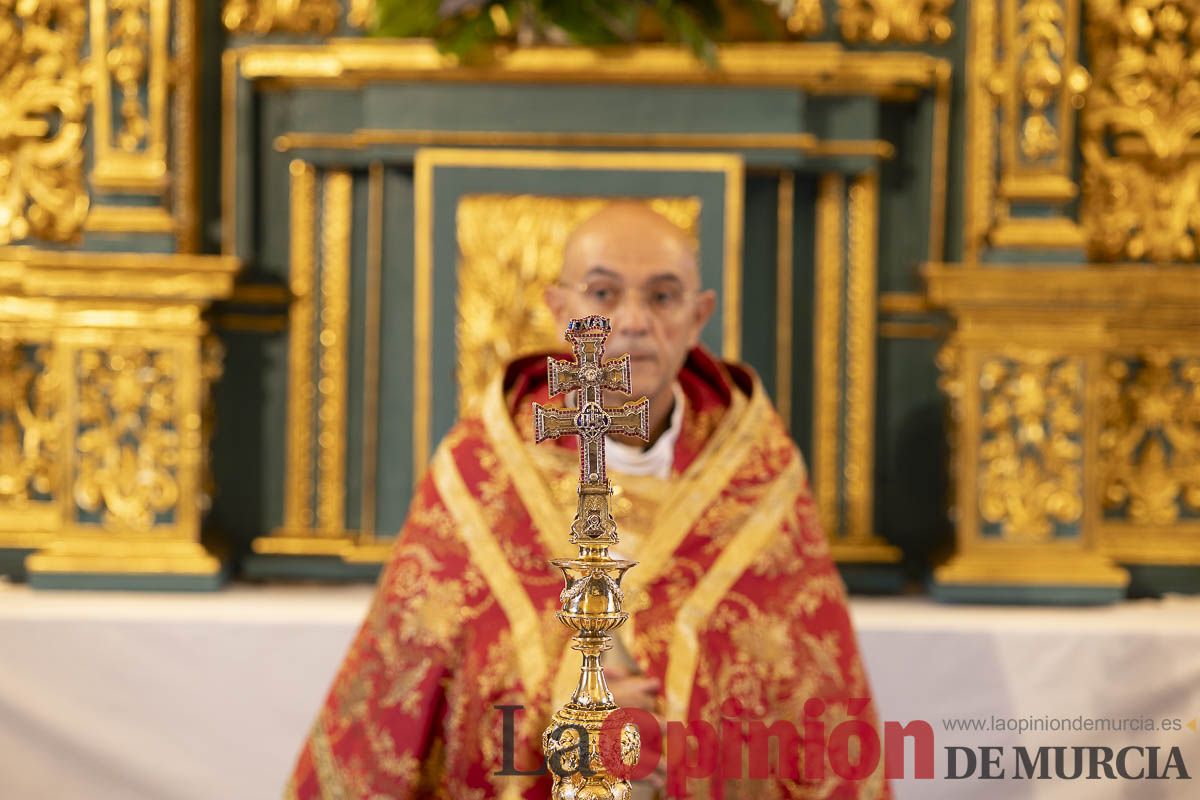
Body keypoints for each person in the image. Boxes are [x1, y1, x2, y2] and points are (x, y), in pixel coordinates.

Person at [287, 202, 889, 799]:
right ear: (560, 310)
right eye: (603, 295)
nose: (631, 321)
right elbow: (409, 704)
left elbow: (803, 701)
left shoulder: (761, 481)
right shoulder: (478, 474)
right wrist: (563, 715)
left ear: (698, 315)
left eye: (661, 297)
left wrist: (668, 735)